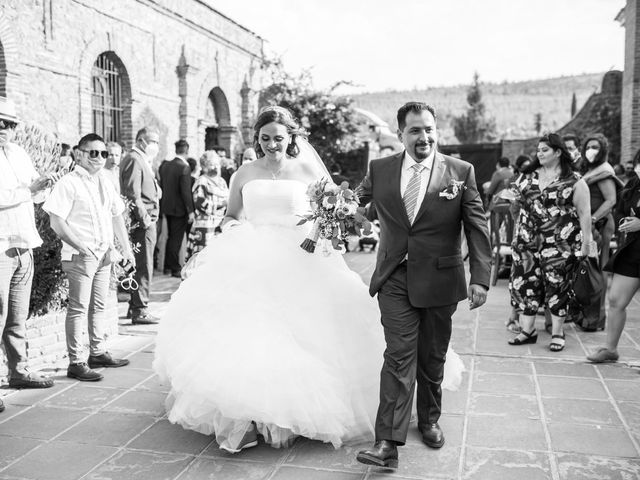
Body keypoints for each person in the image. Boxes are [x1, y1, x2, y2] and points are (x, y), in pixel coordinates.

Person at [153, 106, 466, 455]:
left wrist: (332, 222)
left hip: (299, 257)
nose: (272, 144)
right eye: (265, 138)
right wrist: (235, 230)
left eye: (279, 138)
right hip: (249, 259)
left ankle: (297, 416)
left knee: (303, 334)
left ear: (291, 138)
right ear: (257, 139)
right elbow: (231, 215)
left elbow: (339, 204)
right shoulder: (243, 172)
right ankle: (247, 417)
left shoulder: (305, 168)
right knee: (246, 334)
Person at [355, 102, 491, 469]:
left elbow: (477, 225)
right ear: (400, 135)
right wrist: (343, 212)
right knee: (399, 356)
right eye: (415, 130)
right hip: (395, 277)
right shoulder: (380, 169)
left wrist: (480, 277)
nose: (424, 136)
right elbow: (360, 205)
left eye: (429, 129)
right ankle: (387, 443)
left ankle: (428, 418)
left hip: (441, 279)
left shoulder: (461, 171)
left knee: (432, 357)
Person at [44, 133, 135, 381]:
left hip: (105, 254)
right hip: (80, 255)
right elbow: (56, 221)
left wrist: (125, 249)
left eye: (103, 153)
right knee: (78, 308)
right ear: (79, 154)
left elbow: (117, 215)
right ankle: (75, 362)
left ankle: (97, 352)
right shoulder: (68, 183)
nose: (99, 158)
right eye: (93, 152)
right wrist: (81, 246)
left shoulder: (105, 180)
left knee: (99, 306)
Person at [508, 133, 594, 352]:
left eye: (545, 150)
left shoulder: (574, 180)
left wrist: (586, 243)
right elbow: (514, 202)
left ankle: (557, 332)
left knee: (558, 285)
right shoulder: (526, 176)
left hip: (560, 243)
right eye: (538, 150)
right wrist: (516, 222)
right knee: (525, 282)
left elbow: (584, 213)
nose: (539, 153)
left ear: (558, 152)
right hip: (527, 241)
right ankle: (527, 331)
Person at [0, 97, 55, 410]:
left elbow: (35, 195)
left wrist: (43, 186)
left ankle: (18, 370)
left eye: (9, 124)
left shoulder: (18, 153)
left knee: (18, 315)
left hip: (23, 242)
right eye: (0, 122)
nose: (4, 129)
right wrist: (29, 190)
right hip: (0, 243)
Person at [587, 149, 640, 363]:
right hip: (632, 250)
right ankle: (610, 348)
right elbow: (619, 210)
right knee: (616, 299)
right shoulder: (633, 186)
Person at [577, 134, 622, 331]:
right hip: (588, 225)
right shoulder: (589, 170)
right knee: (586, 270)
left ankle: (596, 318)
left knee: (598, 270)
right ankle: (585, 314)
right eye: (588, 147)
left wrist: (592, 219)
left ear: (602, 149)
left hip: (600, 225)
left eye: (595, 147)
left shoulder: (604, 172)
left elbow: (610, 201)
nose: (591, 150)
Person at [120, 127, 161, 324]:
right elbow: (132, 193)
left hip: (147, 219)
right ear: (141, 140)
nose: (155, 146)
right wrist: (145, 219)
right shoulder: (134, 159)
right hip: (142, 221)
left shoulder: (142, 160)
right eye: (152, 141)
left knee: (143, 264)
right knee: (143, 265)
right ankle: (140, 308)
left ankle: (135, 305)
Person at [160, 139, 195, 278]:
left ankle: (168, 266)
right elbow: (186, 192)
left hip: (167, 206)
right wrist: (191, 210)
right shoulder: (184, 167)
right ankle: (174, 268)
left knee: (169, 237)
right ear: (186, 151)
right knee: (176, 239)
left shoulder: (165, 165)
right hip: (180, 209)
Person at [186, 151, 228, 259]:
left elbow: (228, 198)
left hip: (220, 225)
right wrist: (221, 204)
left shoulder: (222, 181)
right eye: (212, 164)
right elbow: (200, 203)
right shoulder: (201, 181)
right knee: (203, 258)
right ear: (204, 166)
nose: (215, 167)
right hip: (205, 226)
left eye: (217, 164)